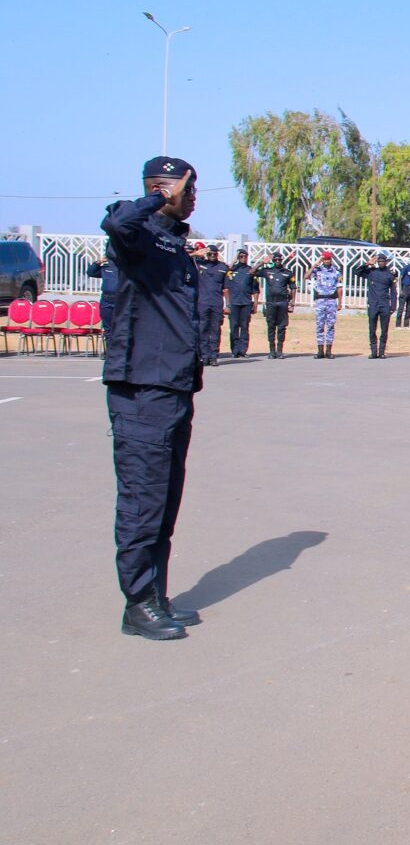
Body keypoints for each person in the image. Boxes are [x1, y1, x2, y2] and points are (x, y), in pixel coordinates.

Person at [100, 157, 204, 640]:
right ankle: (137, 604)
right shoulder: (137, 233)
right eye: (189, 188)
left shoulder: (172, 242)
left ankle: (156, 595)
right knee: (142, 500)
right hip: (142, 389)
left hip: (173, 386)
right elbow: (118, 222)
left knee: (164, 500)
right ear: (165, 188)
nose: (195, 196)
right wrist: (159, 197)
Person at [356, 251, 398, 358]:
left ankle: (382, 352)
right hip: (373, 304)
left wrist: (393, 306)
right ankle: (373, 351)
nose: (381, 263)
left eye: (383, 261)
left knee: (384, 330)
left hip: (384, 304)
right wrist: (367, 263)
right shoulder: (371, 272)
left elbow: (393, 291)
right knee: (372, 329)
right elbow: (357, 272)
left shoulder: (390, 275)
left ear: (386, 262)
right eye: (379, 261)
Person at [254, 253, 296, 358]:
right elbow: (251, 272)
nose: (277, 261)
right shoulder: (267, 271)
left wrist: (293, 303)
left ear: (282, 260)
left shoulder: (288, 273)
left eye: (279, 260)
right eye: (275, 259)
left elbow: (293, 288)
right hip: (271, 302)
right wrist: (262, 263)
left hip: (282, 302)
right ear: (273, 261)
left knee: (282, 327)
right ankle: (272, 351)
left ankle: (280, 351)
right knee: (271, 326)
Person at [194, 243, 229, 365]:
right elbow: (183, 257)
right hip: (203, 302)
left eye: (215, 254)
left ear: (218, 255)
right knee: (202, 329)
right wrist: (196, 253)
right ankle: (204, 356)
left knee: (215, 330)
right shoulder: (199, 265)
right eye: (210, 254)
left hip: (216, 303)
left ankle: (213, 356)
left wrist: (228, 305)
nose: (213, 256)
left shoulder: (223, 267)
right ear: (207, 254)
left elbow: (226, 289)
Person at [225, 248, 258, 358]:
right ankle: (235, 350)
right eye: (241, 256)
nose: (243, 258)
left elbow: (255, 289)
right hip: (234, 303)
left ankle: (243, 350)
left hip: (246, 303)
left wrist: (255, 304)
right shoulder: (232, 270)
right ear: (238, 258)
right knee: (234, 327)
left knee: (244, 327)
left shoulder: (250, 271)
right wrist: (228, 304)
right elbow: (227, 270)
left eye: (245, 257)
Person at [311, 250, 342, 358]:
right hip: (320, 300)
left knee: (331, 325)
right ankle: (320, 351)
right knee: (320, 325)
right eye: (325, 259)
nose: (327, 261)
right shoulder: (317, 270)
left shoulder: (336, 272)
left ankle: (328, 350)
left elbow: (339, 288)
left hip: (331, 301)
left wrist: (340, 303)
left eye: (328, 259)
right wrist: (316, 262)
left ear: (331, 259)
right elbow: (306, 276)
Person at [85, 253, 119, 335]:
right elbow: (90, 272)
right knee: (108, 330)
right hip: (106, 300)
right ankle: (109, 348)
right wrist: (98, 262)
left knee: (120, 329)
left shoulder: (125, 269)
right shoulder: (105, 268)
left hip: (120, 301)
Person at [396, 256, 410, 329]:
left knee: (409, 308)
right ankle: (398, 325)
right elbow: (400, 278)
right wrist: (401, 290)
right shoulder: (406, 268)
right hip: (405, 288)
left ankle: (406, 325)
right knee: (401, 308)